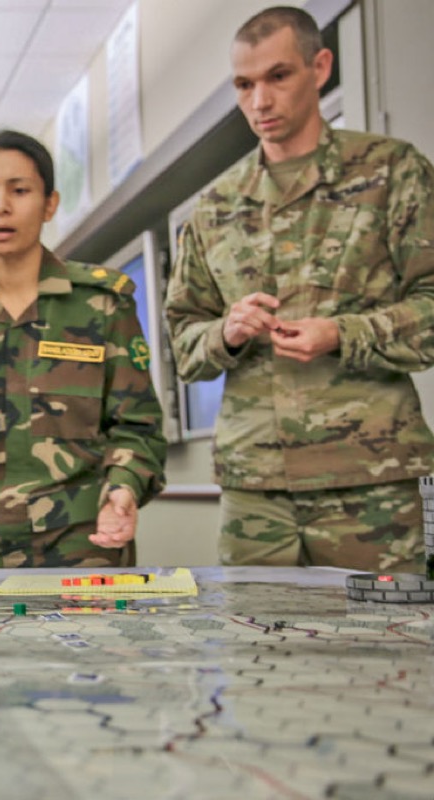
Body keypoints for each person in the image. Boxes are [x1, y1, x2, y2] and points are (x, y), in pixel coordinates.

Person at [165, 6, 434, 572]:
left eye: (277, 76)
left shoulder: (392, 173)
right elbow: (184, 344)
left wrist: (344, 333)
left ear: (320, 66)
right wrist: (227, 333)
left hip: (370, 476)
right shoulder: (214, 206)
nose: (259, 101)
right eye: (244, 84)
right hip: (255, 486)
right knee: (261, 649)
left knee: (386, 651)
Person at [0, 130, 166, 569]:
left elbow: (137, 427)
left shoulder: (102, 304)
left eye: (19, 190)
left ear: (50, 203)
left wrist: (122, 489)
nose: (0, 206)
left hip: (81, 540)